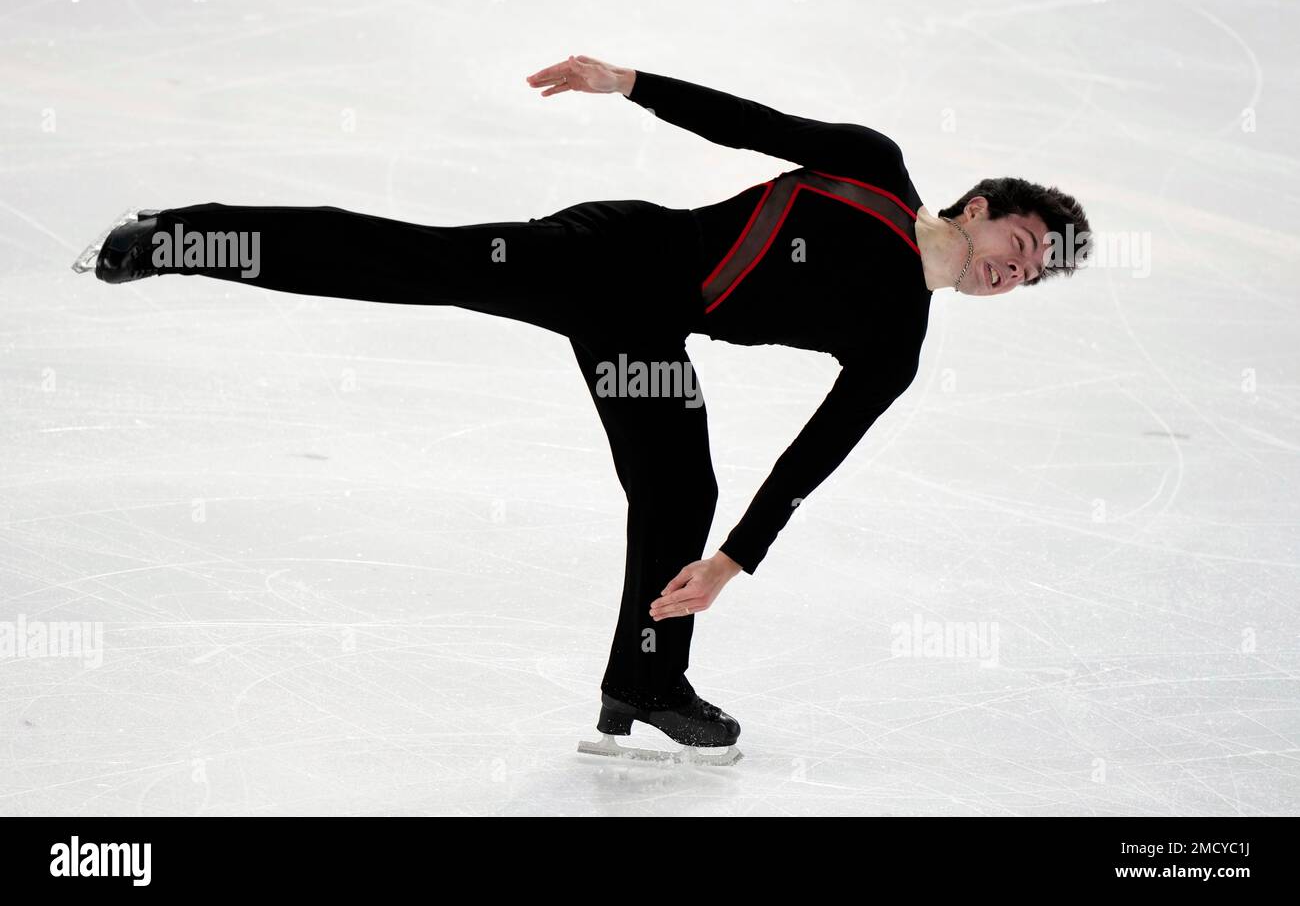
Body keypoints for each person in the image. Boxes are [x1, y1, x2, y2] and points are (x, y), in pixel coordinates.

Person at [82, 54, 1090, 760]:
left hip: (647, 337)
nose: (1020, 271)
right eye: (1026, 245)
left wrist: (733, 561)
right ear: (979, 208)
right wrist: (629, 84)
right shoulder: (871, 166)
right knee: (417, 261)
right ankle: (184, 234)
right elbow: (747, 122)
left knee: (680, 483)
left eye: (1035, 275)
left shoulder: (896, 345)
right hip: (606, 257)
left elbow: (808, 458)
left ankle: (643, 681)